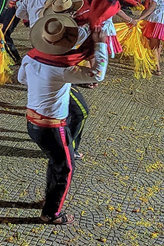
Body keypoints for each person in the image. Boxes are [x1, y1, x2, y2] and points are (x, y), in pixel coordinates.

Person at [17, 14, 108, 225]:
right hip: (51, 126)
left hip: (33, 123)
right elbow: (97, 75)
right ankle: (51, 213)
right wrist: (101, 45)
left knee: (56, 162)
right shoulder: (63, 68)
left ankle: (49, 200)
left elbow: (22, 79)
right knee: (66, 167)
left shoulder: (30, 57)